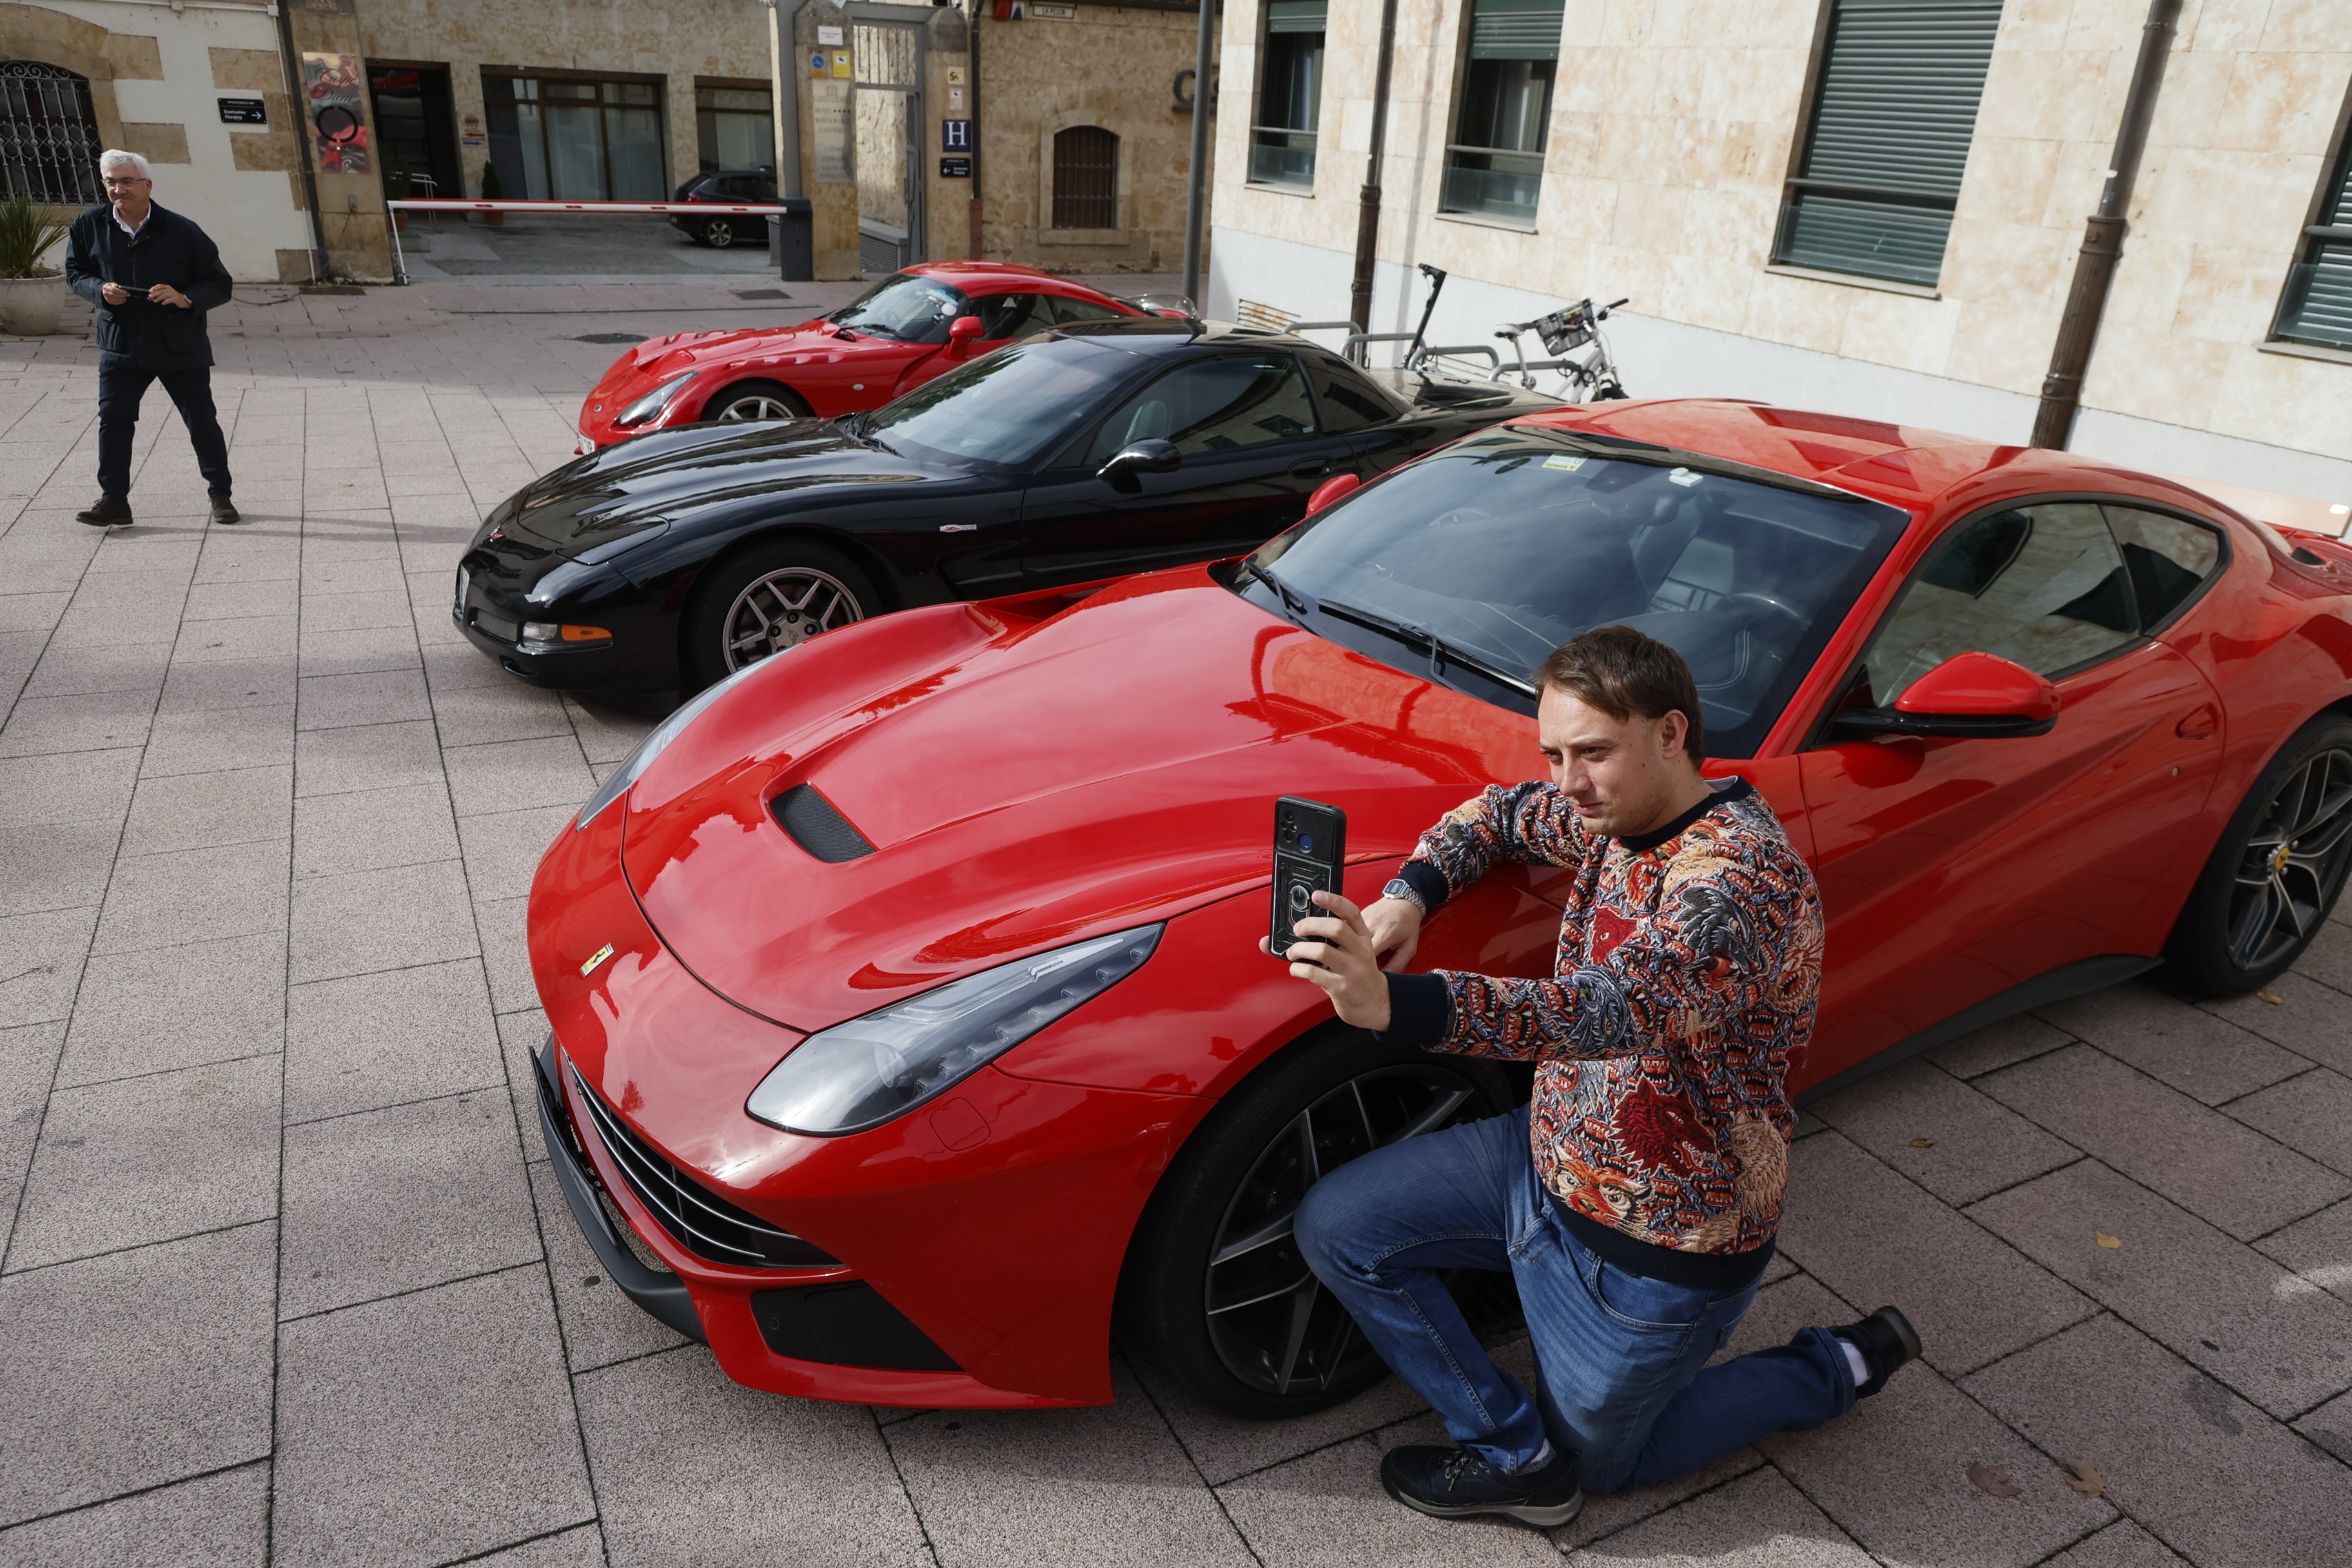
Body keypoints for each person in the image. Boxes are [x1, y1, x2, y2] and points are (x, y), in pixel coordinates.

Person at [1269, 624, 1921, 1529]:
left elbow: (1600, 1012)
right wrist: (1409, 894)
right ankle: (1512, 1449)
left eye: (1593, 753)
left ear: (1671, 734)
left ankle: (1835, 1366)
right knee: (1338, 1227)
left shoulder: (1735, 887)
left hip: (1655, 1251)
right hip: (1538, 1162)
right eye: (1556, 753)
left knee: (1610, 1471)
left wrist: (1396, 1005)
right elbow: (1497, 815)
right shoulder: (1617, 813)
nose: (1569, 784)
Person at [63, 150, 237, 527]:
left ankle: (219, 492)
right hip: (121, 343)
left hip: (179, 343)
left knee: (202, 421)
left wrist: (185, 297)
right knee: (114, 420)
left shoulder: (182, 229)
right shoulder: (88, 224)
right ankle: (113, 501)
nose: (118, 189)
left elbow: (220, 283)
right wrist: (99, 290)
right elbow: (76, 272)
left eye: (127, 181)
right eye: (111, 182)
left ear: (147, 185)